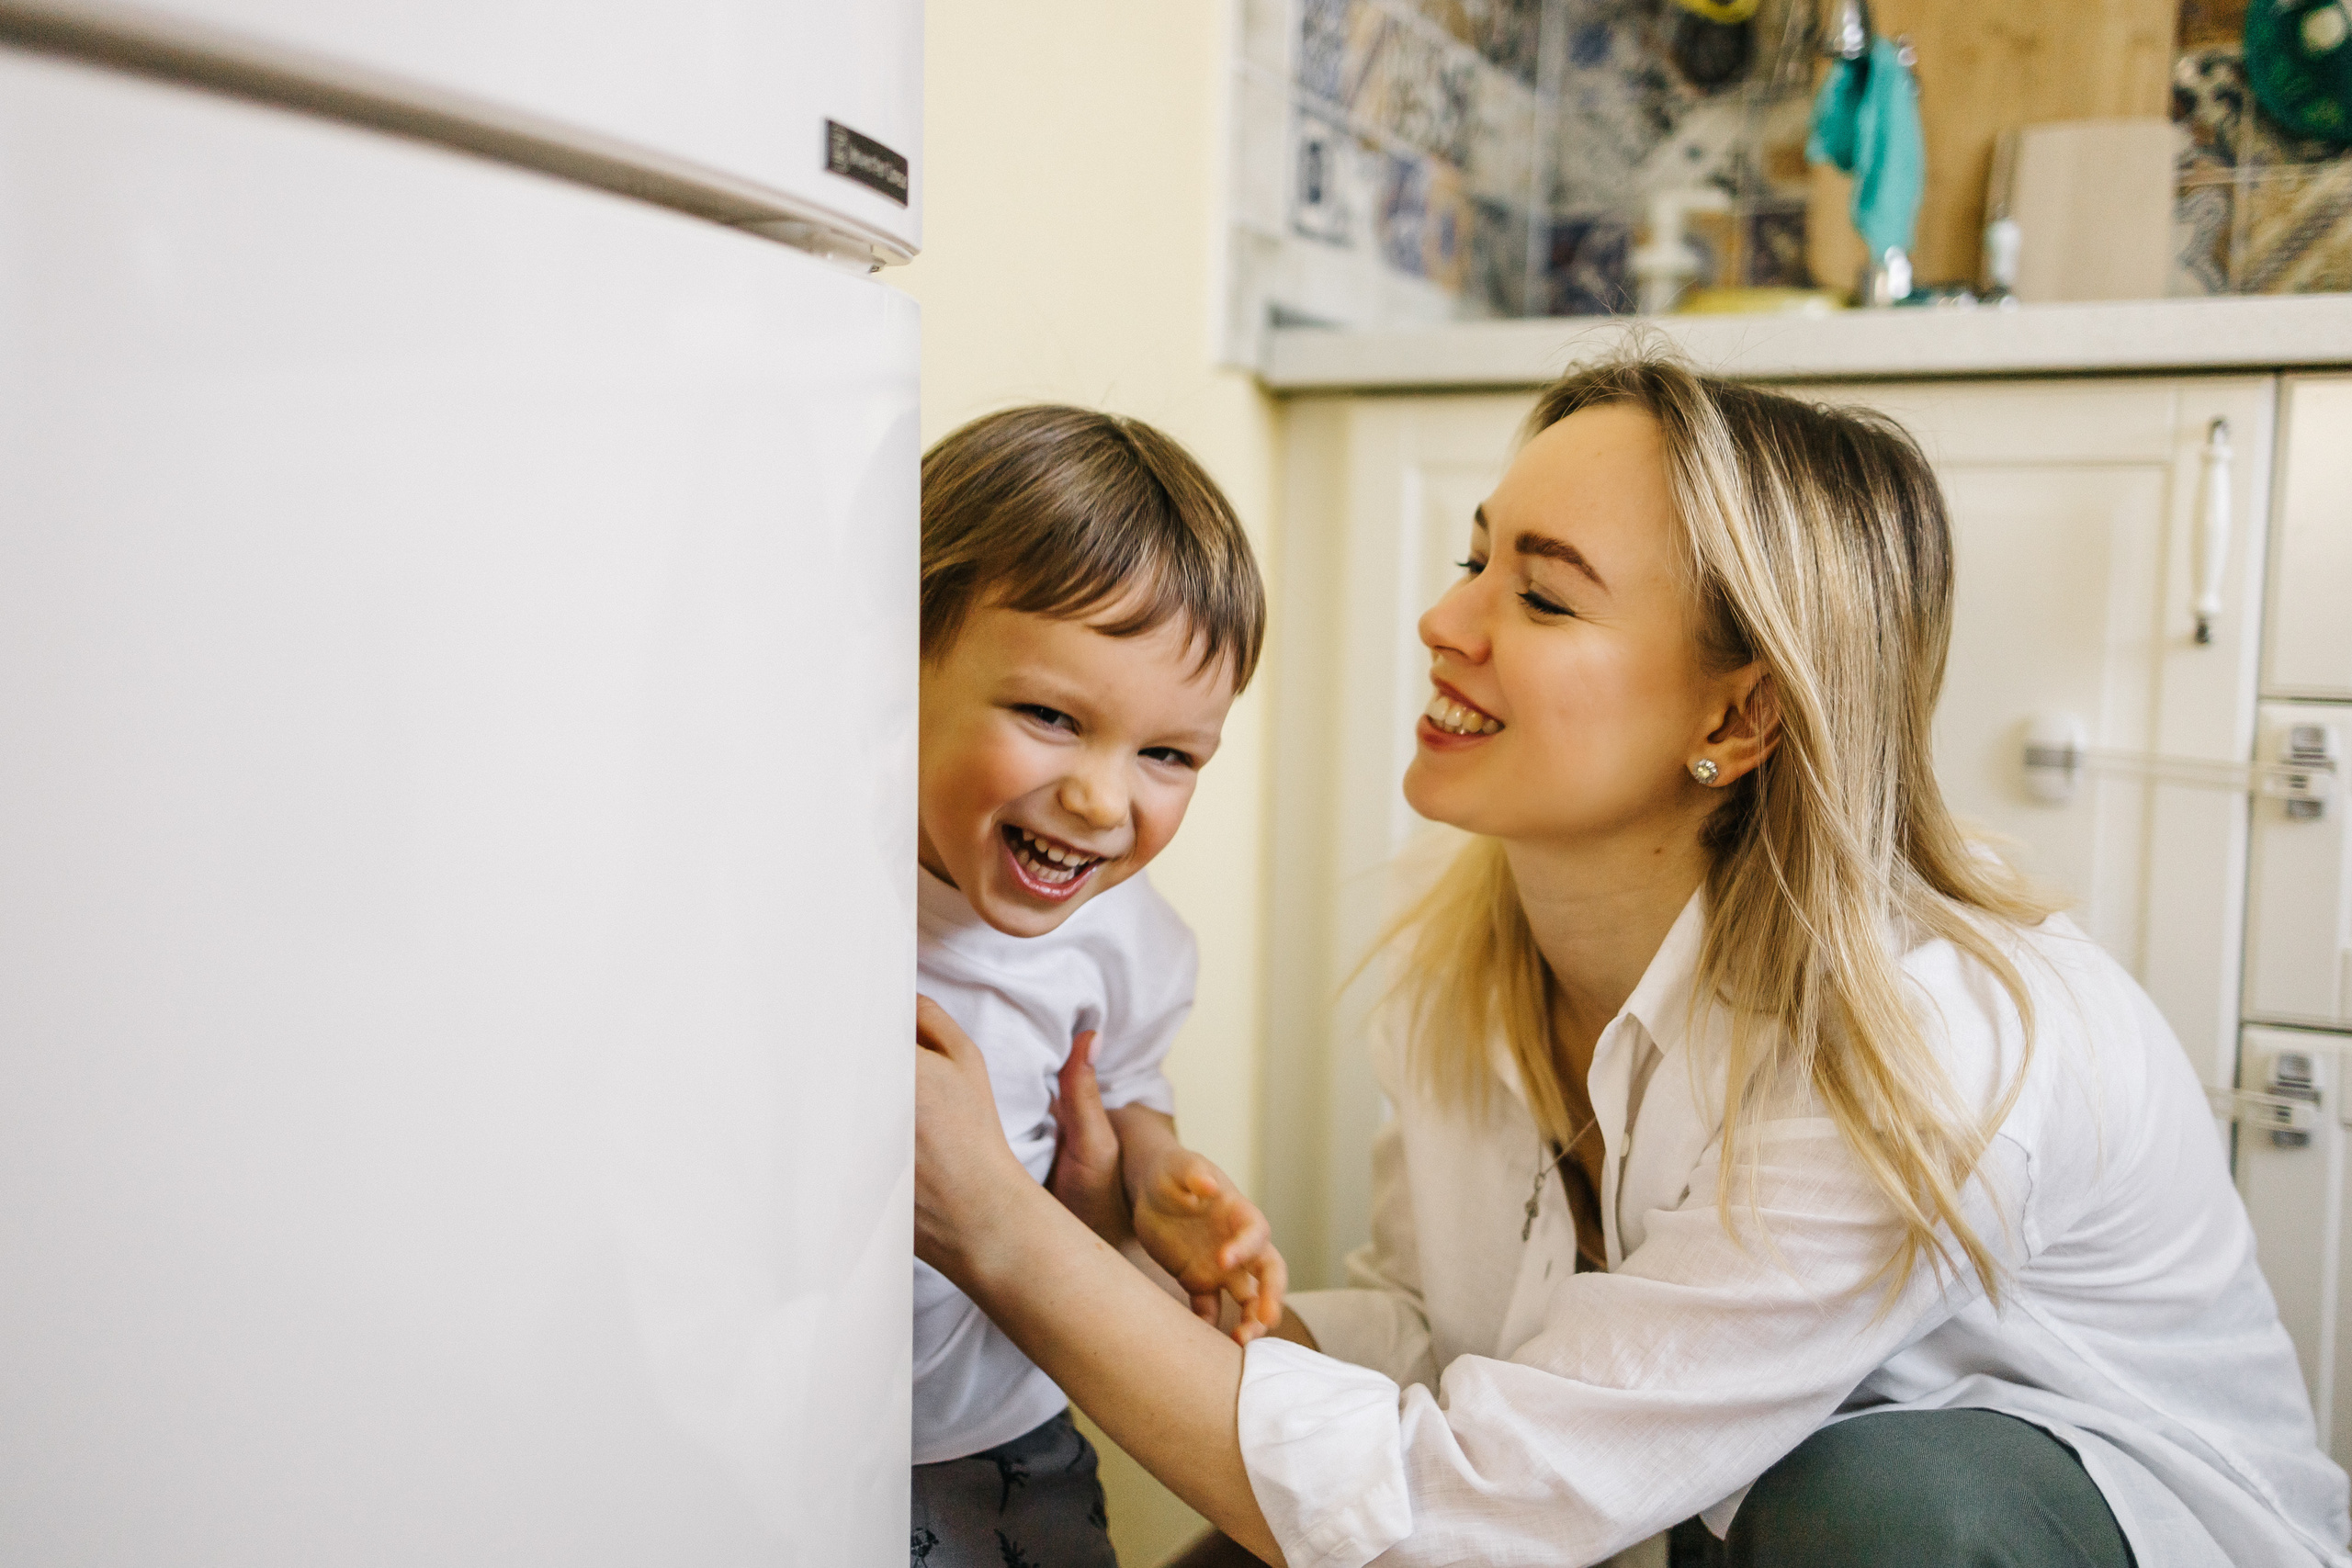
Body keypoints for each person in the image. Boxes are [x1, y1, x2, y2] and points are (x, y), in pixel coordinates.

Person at [912, 355, 2352, 1567]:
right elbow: (1449, 1352)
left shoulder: (1930, 1037)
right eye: (1477, 555)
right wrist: (1134, 1248)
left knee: (1879, 1507)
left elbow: (1465, 1504)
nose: (1444, 619)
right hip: (1678, 1520)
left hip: (2030, 1532)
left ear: (1738, 712)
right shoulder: (1475, 968)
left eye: (1541, 596)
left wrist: (997, 1226)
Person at [910, 405, 1288, 1568]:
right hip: (781, 1429)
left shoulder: (1127, 941)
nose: (1100, 801)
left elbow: (1117, 1086)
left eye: (1167, 755)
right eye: (1049, 717)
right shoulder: (802, 898)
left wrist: (1151, 1168)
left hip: (1013, 1432)